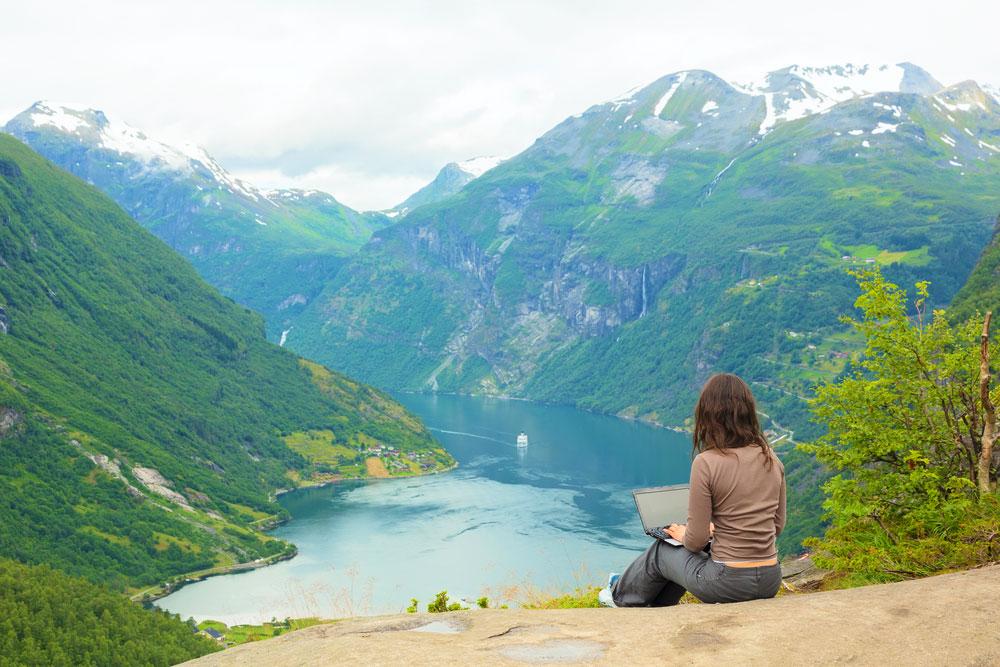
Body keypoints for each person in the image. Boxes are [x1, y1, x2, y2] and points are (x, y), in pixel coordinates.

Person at [600, 373, 786, 607]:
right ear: (749, 412)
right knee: (688, 554)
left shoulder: (707, 462)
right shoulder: (772, 459)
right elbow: (776, 526)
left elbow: (696, 542)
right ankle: (656, 607)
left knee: (663, 550)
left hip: (727, 582)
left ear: (708, 415)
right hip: (770, 578)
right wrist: (720, 528)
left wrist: (682, 534)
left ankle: (619, 597)